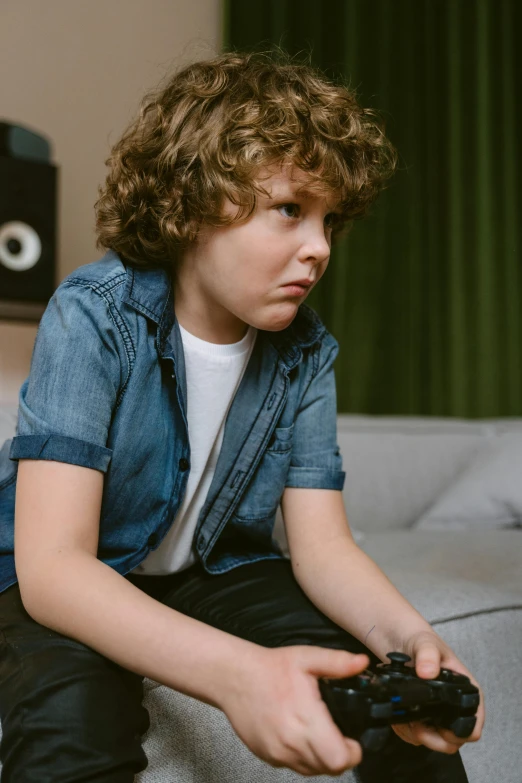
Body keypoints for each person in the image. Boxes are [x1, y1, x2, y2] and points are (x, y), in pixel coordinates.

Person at [0, 48, 484, 781]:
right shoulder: (95, 315)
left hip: (211, 569)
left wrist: (411, 639)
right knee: (70, 722)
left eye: (330, 220)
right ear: (192, 202)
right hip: (79, 570)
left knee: (382, 697)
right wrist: (237, 673)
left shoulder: (306, 348)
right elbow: (52, 566)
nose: (319, 248)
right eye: (290, 209)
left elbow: (322, 547)